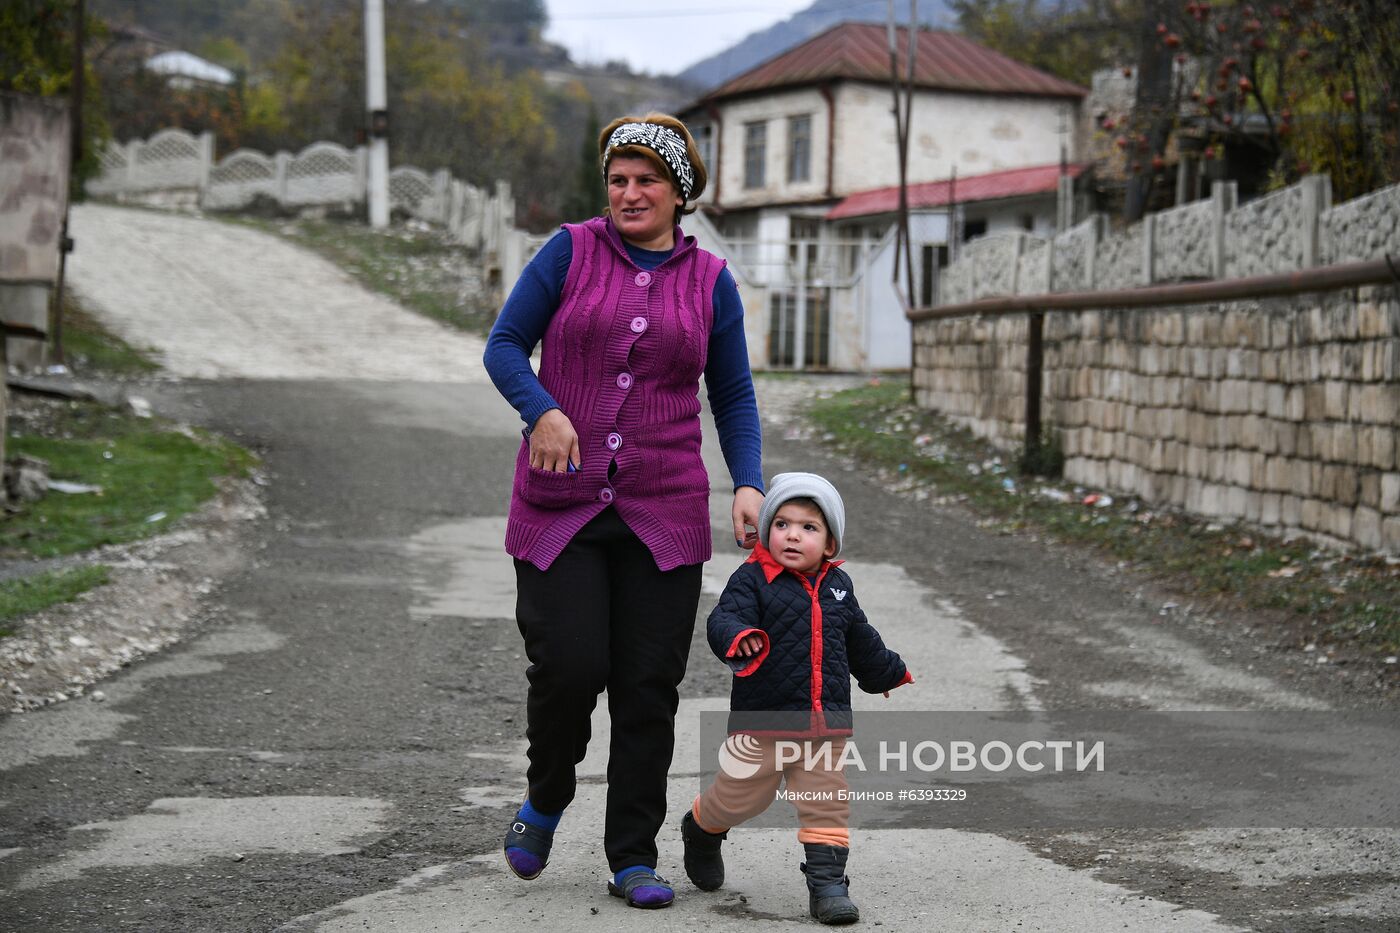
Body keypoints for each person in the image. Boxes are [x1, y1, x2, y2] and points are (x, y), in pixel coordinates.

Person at [482, 113, 765, 909]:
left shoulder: (710, 281)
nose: (629, 193)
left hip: (664, 507)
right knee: (570, 666)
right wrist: (540, 409)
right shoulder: (569, 251)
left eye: (646, 180)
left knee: (648, 685)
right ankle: (545, 796)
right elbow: (505, 345)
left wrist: (746, 479)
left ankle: (632, 854)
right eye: (618, 179)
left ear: (681, 193)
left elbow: (733, 392)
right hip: (560, 503)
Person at [681, 472, 912, 925]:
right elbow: (723, 618)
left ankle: (827, 885)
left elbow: (860, 637)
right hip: (762, 723)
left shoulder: (839, 587)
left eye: (809, 527)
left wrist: (886, 670)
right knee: (743, 799)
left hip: (825, 726)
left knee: (826, 800)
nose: (792, 534)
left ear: (828, 544)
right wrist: (739, 635)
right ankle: (703, 826)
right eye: (782, 523)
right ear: (767, 530)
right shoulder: (752, 579)